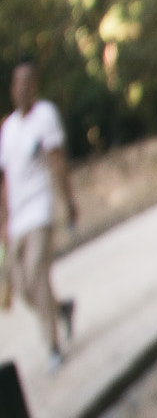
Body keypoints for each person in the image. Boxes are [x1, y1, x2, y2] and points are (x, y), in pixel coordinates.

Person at [0, 60, 79, 370]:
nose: (21, 89)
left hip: (40, 211)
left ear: (34, 87)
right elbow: (4, 181)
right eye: (16, 84)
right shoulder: (7, 130)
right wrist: (3, 222)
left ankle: (52, 347)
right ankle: (61, 310)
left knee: (36, 274)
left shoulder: (45, 116)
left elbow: (58, 162)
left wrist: (68, 203)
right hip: (17, 220)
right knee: (22, 288)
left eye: (26, 83)